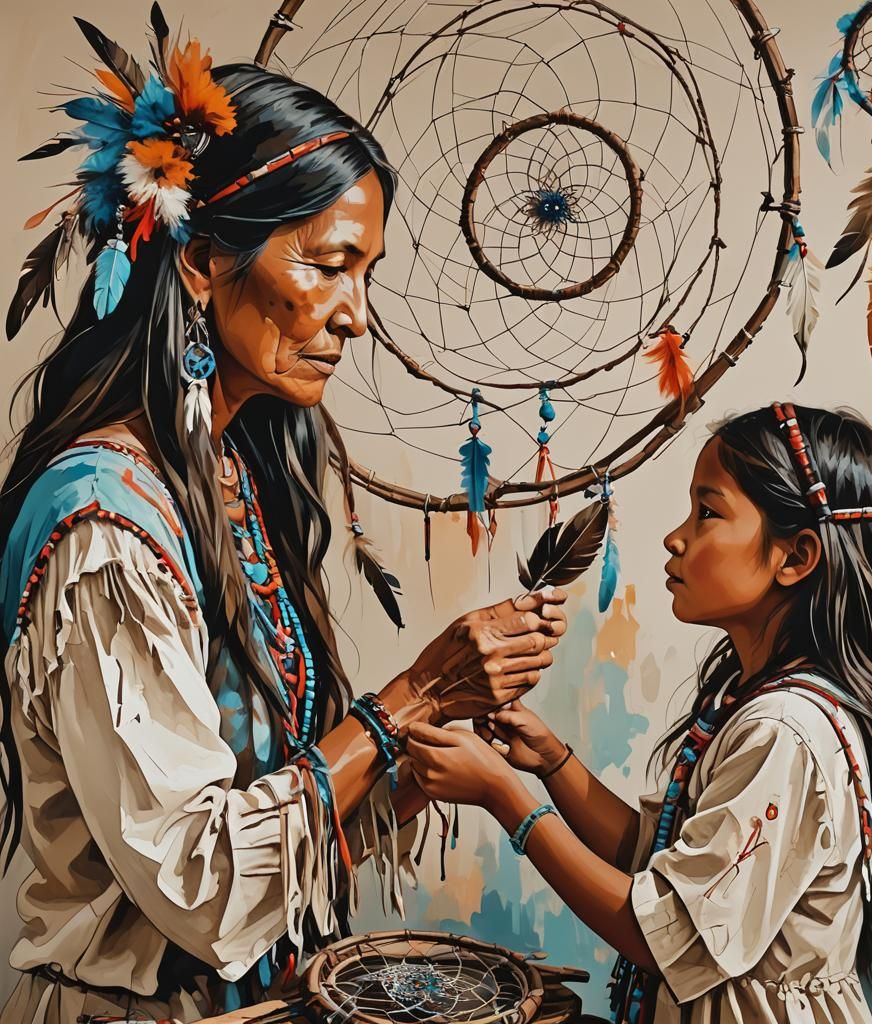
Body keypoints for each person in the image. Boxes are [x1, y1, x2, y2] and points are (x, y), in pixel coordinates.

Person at [0, 22, 567, 1024]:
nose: (355, 313)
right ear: (202, 263)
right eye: (329, 263)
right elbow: (203, 886)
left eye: (368, 273)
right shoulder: (103, 528)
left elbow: (286, 825)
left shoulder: (231, 477)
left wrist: (439, 730)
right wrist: (409, 695)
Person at [405, 403, 872, 1024]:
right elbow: (660, 860)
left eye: (708, 512)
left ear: (795, 557)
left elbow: (665, 933)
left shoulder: (784, 732)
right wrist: (551, 762)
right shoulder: (760, 706)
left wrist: (505, 796)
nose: (676, 536)